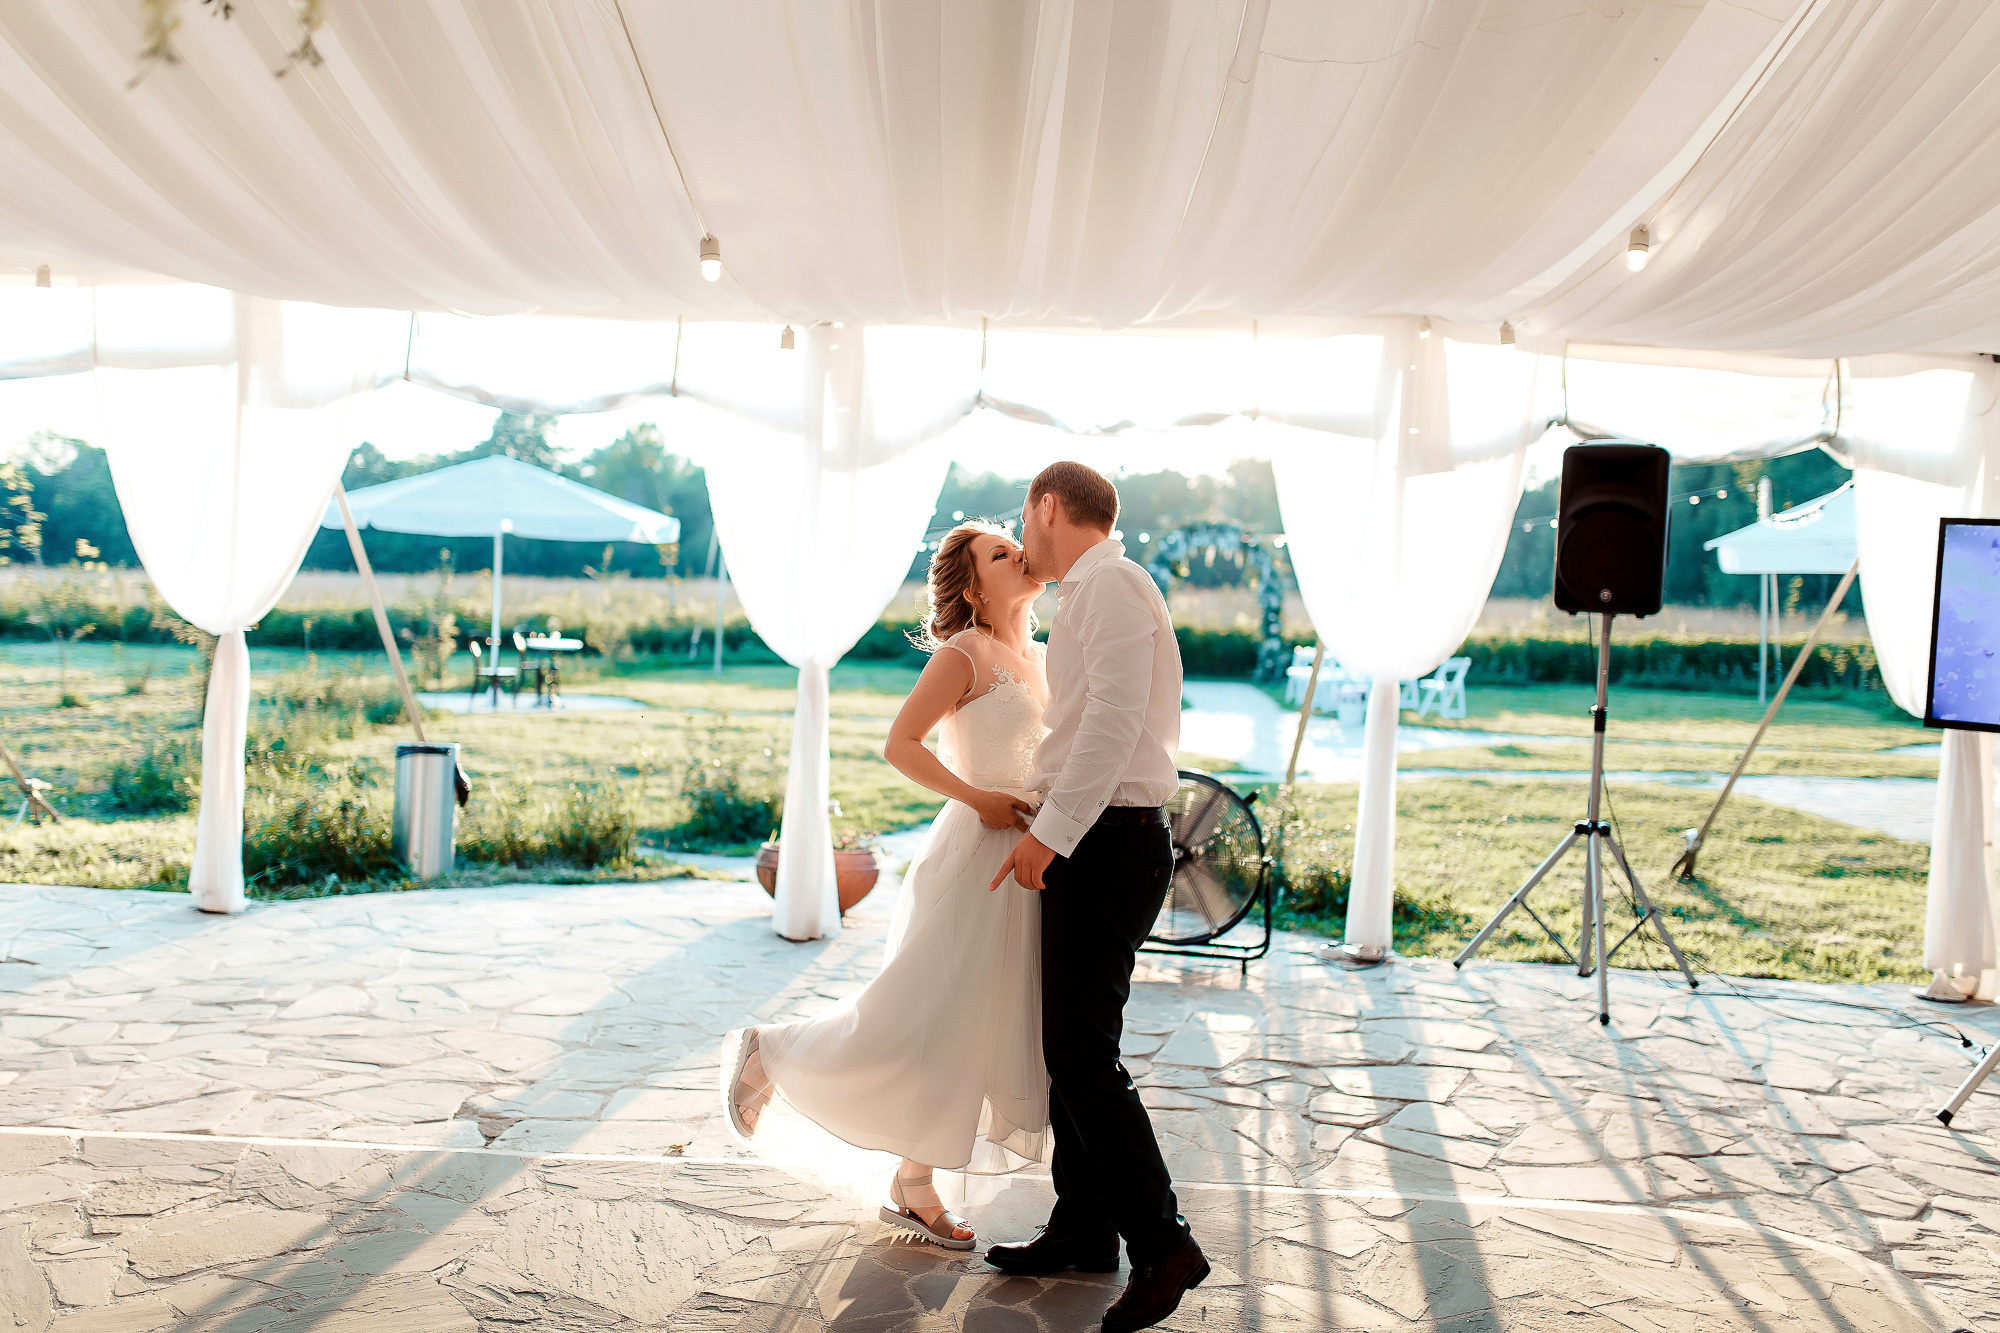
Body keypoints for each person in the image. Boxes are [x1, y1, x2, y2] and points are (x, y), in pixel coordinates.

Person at [723, 519, 1051, 1249]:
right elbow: (899, 744)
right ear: (973, 585)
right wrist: (978, 798)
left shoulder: (1044, 657)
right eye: (1002, 553)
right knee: (916, 1015)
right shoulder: (965, 653)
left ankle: (914, 1182)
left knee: (972, 1027)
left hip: (1025, 862)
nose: (1022, 554)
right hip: (975, 850)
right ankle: (771, 1049)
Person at [984, 461, 1209, 1333]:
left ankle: (1164, 1244)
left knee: (1082, 1054)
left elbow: (1114, 723)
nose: (1024, 536)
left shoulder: (1111, 584)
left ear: (1047, 507)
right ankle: (1082, 1227)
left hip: (1109, 839)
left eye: (1022, 519)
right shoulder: (1095, 589)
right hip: (1098, 836)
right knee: (1068, 1049)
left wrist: (1052, 832)